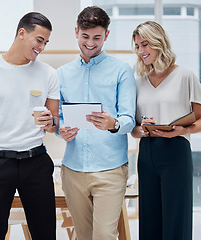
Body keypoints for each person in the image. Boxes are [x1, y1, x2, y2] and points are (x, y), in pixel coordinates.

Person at [0, 12, 60, 240]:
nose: (42, 47)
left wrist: (51, 123)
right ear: (22, 33)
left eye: (46, 43)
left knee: (45, 233)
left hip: (36, 162)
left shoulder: (49, 73)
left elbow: (54, 122)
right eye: (39, 40)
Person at [57, 6, 136, 240]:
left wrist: (113, 123)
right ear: (76, 32)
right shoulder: (62, 73)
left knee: (103, 235)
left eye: (97, 37)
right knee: (82, 236)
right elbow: (58, 117)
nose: (90, 43)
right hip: (73, 169)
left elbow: (129, 119)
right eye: (85, 36)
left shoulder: (122, 71)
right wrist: (61, 129)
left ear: (106, 36)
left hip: (110, 169)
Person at [131, 21, 201, 240]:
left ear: (159, 43)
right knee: (149, 220)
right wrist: (140, 130)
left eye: (145, 45)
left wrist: (180, 131)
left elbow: (200, 118)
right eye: (137, 46)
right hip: (147, 152)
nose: (141, 51)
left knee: (176, 220)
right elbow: (133, 129)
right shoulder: (138, 81)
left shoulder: (185, 75)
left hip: (176, 150)